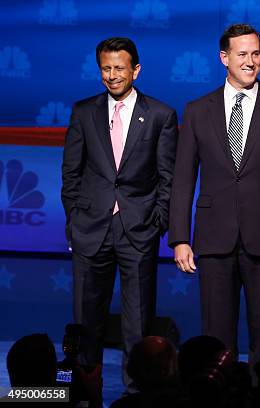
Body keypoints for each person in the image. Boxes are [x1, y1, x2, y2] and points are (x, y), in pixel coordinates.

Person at [169, 24, 260, 369]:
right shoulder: (197, 110)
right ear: (224, 58)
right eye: (242, 54)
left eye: (256, 53)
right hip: (214, 239)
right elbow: (183, 180)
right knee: (215, 340)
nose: (251, 61)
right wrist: (179, 239)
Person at [61, 37, 178, 391]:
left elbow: (167, 178)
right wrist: (74, 221)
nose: (112, 76)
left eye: (119, 68)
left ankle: (137, 392)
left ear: (136, 70)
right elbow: (71, 174)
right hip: (90, 229)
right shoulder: (84, 112)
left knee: (137, 323)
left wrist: (156, 221)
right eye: (106, 69)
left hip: (138, 230)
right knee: (85, 321)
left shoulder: (161, 115)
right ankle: (82, 391)